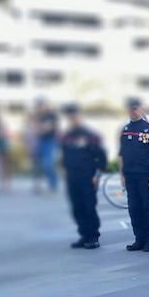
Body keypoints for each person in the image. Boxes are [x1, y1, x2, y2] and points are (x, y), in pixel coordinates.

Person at [117, 97, 149, 251]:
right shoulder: (125, 130)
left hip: (146, 176)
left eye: (136, 109)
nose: (133, 112)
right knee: (134, 208)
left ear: (142, 109)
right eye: (130, 109)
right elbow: (121, 154)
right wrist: (122, 175)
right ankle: (139, 238)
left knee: (147, 208)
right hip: (130, 175)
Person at [60, 104, 107, 249]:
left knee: (89, 206)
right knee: (77, 207)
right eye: (69, 116)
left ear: (79, 116)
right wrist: (65, 170)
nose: (72, 119)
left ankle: (93, 237)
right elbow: (65, 155)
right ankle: (84, 234)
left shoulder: (90, 136)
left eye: (74, 116)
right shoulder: (67, 136)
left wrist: (97, 175)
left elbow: (101, 157)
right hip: (72, 176)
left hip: (87, 176)